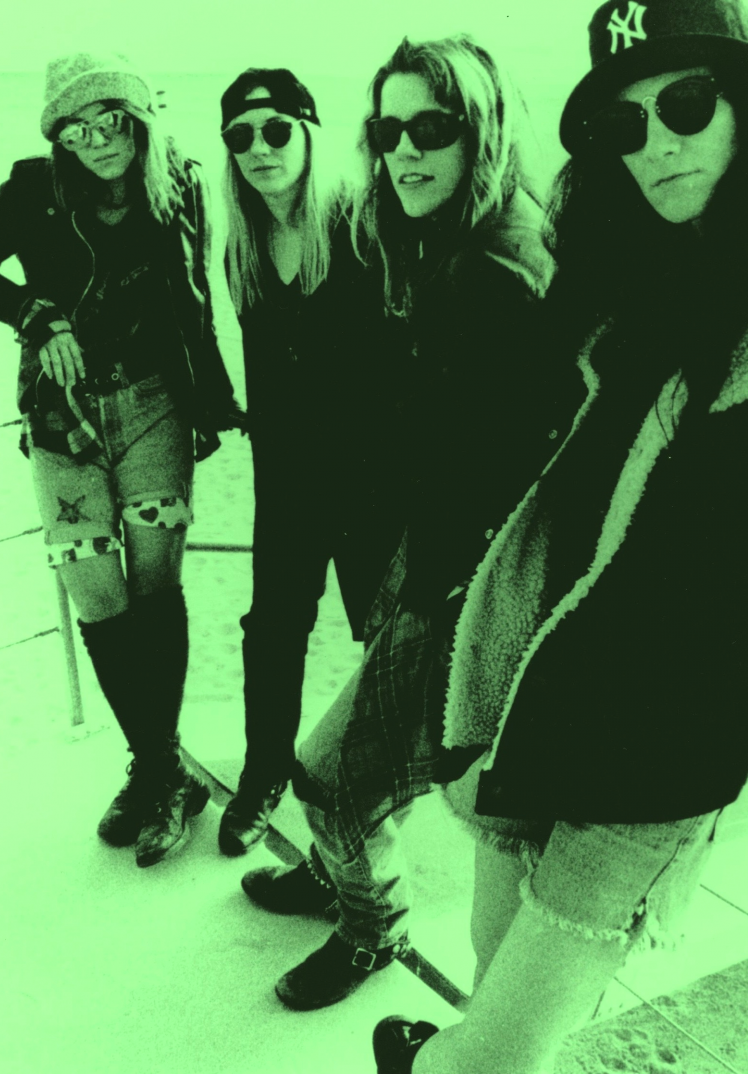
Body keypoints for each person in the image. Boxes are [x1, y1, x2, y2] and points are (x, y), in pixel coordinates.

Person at [371, 2, 748, 1071]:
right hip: (539, 714)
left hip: (661, 760)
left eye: (686, 104)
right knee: (495, 973)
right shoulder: (626, 289)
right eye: (624, 125)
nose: (658, 142)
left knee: (493, 1053)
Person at [241, 35, 584, 1010]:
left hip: (463, 583)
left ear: (481, 130)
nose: (403, 151)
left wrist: (441, 596)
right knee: (357, 767)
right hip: (427, 555)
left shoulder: (498, 272)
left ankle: (370, 929)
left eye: (430, 128)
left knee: (326, 778)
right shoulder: (453, 241)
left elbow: (529, 469)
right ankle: (337, 874)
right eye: (387, 130)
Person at [0, 52, 245, 869]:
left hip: (155, 404)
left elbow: (195, 297)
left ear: (138, 119)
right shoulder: (32, 188)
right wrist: (35, 314)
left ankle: (154, 774)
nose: (96, 141)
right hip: (61, 415)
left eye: (111, 122)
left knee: (155, 587)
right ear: (57, 137)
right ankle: (163, 770)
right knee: (92, 586)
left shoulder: (181, 183)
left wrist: (214, 400)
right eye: (76, 129)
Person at [216, 68, 407, 857]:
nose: (259, 148)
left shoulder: (363, 224)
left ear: (308, 133)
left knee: (382, 634)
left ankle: (373, 799)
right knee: (272, 627)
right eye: (241, 136)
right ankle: (265, 771)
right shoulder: (243, 247)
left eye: (276, 130)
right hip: (288, 477)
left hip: (371, 477)